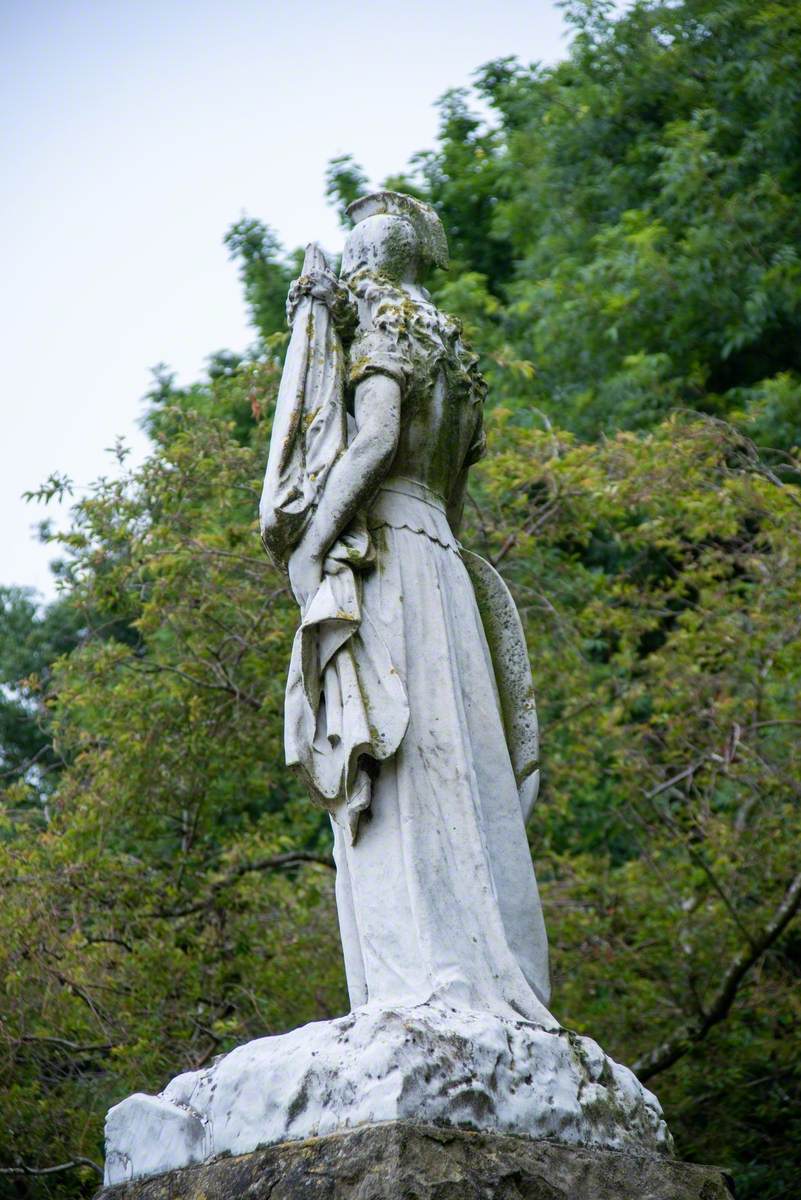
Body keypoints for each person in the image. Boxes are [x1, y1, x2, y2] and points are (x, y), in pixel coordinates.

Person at [261, 191, 553, 1027]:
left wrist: (315, 543)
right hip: (445, 567)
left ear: (366, 264)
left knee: (402, 768)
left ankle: (421, 983)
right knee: (458, 766)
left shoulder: (385, 323)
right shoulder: (451, 348)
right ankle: (487, 967)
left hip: (389, 561)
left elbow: (377, 436)